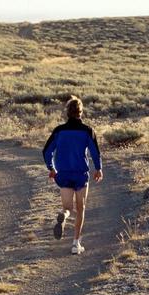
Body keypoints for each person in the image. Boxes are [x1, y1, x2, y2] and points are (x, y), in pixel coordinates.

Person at [42, 96, 103, 255]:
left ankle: (63, 215)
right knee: (81, 208)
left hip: (63, 174)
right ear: (80, 113)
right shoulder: (88, 131)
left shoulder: (59, 131)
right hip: (81, 175)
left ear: (67, 113)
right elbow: (95, 152)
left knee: (68, 208)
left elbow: (47, 151)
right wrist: (98, 168)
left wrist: (52, 168)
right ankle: (76, 244)